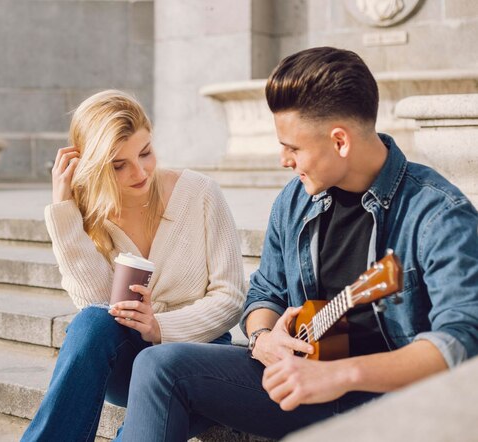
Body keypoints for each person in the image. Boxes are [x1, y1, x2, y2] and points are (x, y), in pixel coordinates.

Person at [118, 47, 478, 441]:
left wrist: (340, 375)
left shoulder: (438, 214)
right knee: (159, 366)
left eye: (292, 147)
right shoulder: (296, 201)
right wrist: (264, 338)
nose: (283, 160)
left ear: (340, 141)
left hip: (397, 401)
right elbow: (264, 294)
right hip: (306, 380)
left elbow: (460, 341)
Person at [21, 90, 246, 441]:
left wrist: (161, 328)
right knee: (91, 322)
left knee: (167, 383)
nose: (139, 172)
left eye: (145, 153)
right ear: (93, 166)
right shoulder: (91, 214)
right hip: (128, 363)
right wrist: (64, 213)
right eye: (118, 165)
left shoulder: (200, 193)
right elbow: (97, 306)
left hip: (198, 357)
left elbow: (230, 297)